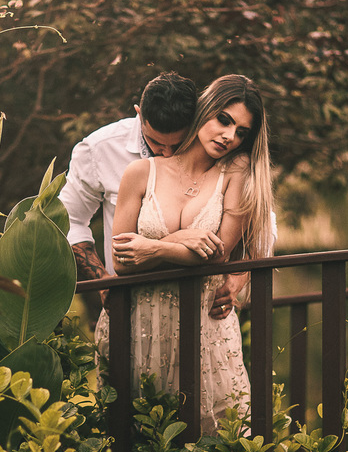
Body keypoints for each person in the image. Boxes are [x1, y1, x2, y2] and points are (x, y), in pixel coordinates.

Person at [99, 74, 274, 433]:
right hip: (138, 323)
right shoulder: (140, 173)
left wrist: (154, 247)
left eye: (241, 131)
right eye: (224, 120)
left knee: (220, 442)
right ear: (204, 110)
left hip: (203, 326)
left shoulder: (237, 171)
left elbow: (218, 253)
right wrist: (182, 239)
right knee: (133, 444)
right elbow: (121, 261)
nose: (229, 136)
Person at [59, 72, 247, 320]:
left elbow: (258, 223)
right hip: (132, 303)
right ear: (139, 113)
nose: (167, 154)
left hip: (204, 310)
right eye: (156, 142)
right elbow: (69, 220)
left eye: (178, 144)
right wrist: (103, 281)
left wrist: (238, 279)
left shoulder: (216, 150)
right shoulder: (99, 149)